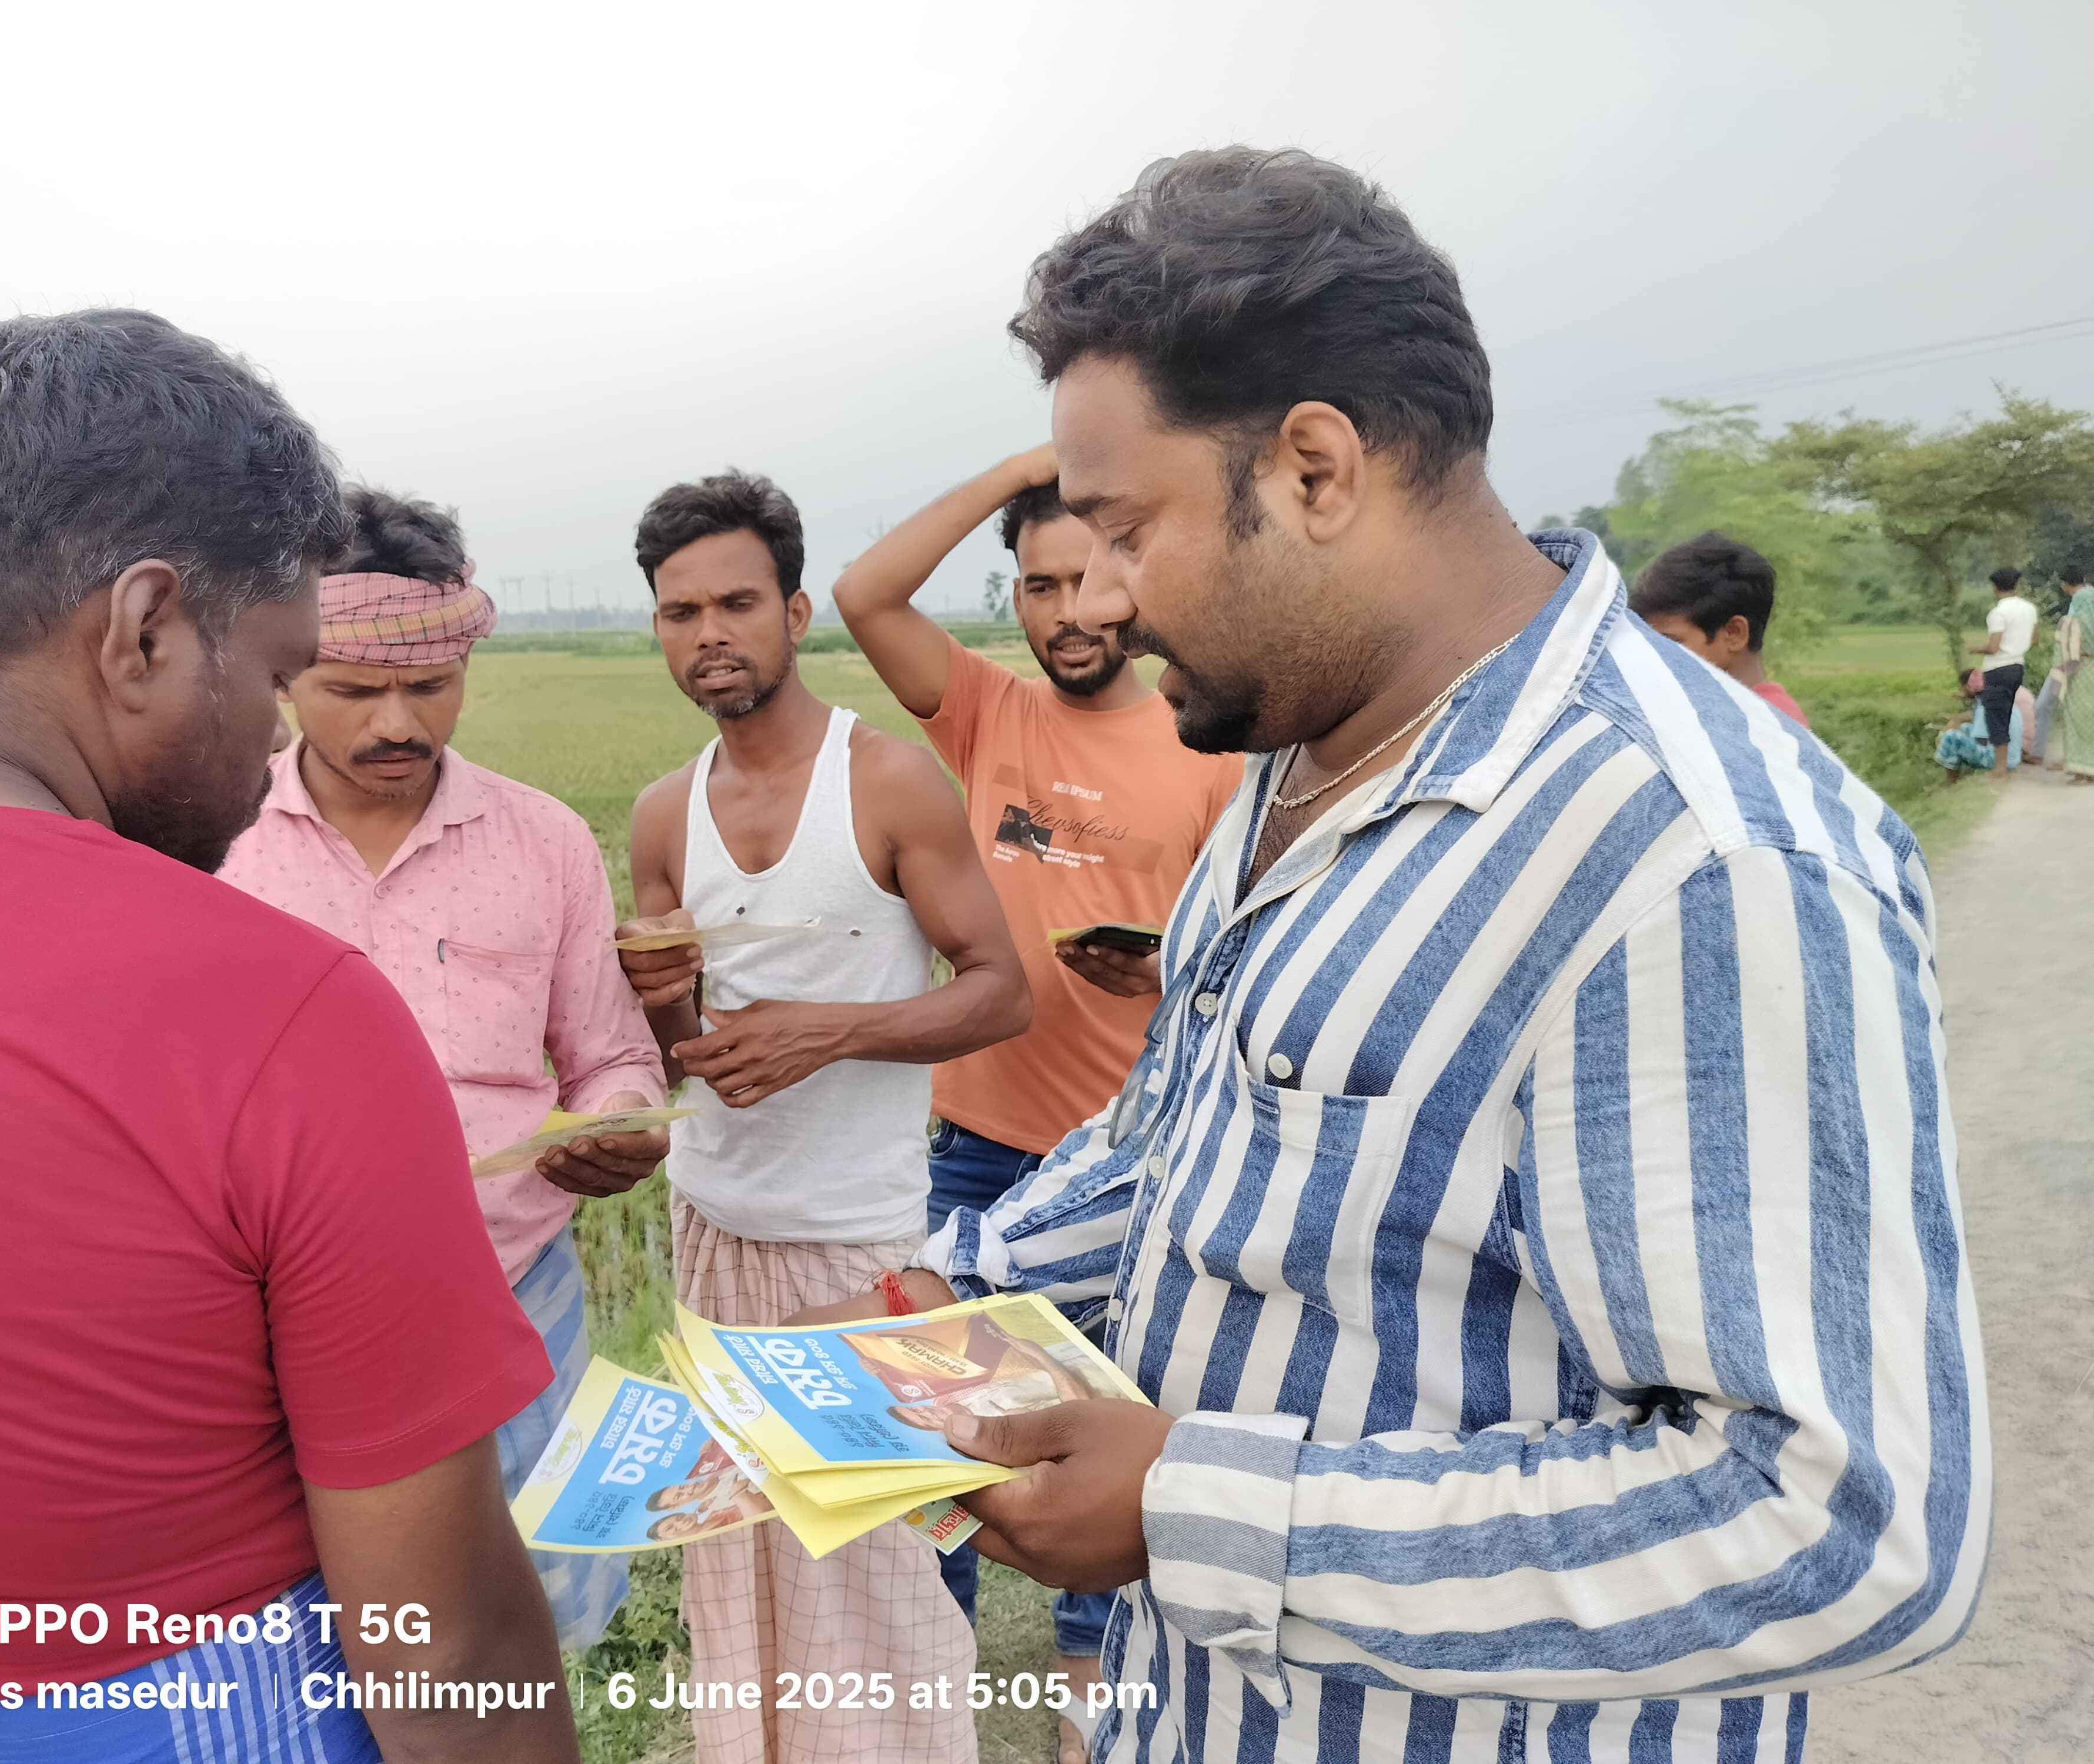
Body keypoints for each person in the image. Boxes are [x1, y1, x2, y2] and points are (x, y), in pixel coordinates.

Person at [797, 149, 1988, 1764]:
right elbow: (1181, 1144)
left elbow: (1837, 1522)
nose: (1107, 603)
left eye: (1126, 531)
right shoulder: (1295, 749)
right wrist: (963, 1288)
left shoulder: (1694, 857)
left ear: (1314, 469)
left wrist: (1202, 1512)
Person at [0, 311, 576, 1762]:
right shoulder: (281, 1016)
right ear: (142, 630)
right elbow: (440, 1646)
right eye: (274, 675)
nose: (273, 741)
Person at [617, 468, 1030, 1764]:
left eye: (736, 603)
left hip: (861, 1251)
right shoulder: (662, 816)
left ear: (795, 613)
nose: (710, 635)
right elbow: (689, 1063)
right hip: (712, 1237)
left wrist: (832, 1029)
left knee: (882, 1580)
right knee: (740, 1568)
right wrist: (663, 1006)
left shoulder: (888, 783)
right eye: (681, 612)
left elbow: (1001, 991)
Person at [216, 486, 667, 1652]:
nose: (397, 724)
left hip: (514, 1293)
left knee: (528, 1621)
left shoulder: (544, 842)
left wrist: (624, 1118)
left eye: (430, 686)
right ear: (287, 674)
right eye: (353, 690)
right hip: (273, 1320)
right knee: (314, 1629)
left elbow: (610, 1054)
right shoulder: (214, 848)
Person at [833, 449, 1243, 1726]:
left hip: (1131, 1163)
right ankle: (936, 1696)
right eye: (1036, 585)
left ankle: (1089, 1708)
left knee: (1102, 1448)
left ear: (1133, 581)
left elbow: (1243, 956)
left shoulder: (1206, 742)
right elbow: (864, 594)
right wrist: (1029, 468)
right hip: (976, 1149)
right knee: (945, 1439)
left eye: (1088, 578)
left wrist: (1161, 971)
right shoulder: (986, 714)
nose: (1066, 613)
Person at [1627, 530, 1811, 726]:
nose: (1656, 658)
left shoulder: (1767, 727)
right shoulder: (1712, 713)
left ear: (1734, 634)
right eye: (1651, 644)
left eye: (1670, 642)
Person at [1973, 564, 2038, 778]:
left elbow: (1994, 648)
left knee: (1995, 715)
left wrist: (1975, 649)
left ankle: (2000, 768)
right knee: (2007, 712)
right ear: (2016, 586)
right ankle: (2006, 761)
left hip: (1998, 669)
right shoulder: (2029, 609)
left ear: (1995, 587)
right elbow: (2035, 640)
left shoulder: (1998, 613)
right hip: (2017, 667)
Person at [1936, 669, 2026, 778]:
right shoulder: (1999, 699)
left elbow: (1981, 741)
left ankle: (1951, 780)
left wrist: (1955, 736)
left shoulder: (1984, 706)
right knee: (1964, 728)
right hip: (2013, 758)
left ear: (1969, 687)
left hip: (2000, 760)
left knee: (1951, 737)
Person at [2056, 562, 2093, 780]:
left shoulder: (2079, 601)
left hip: (2083, 665)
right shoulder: (2092, 595)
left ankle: (2083, 768)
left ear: (2064, 585)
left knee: (2077, 716)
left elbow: (2076, 635)